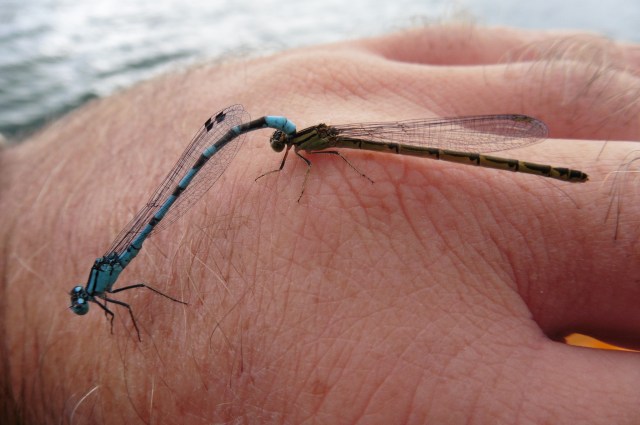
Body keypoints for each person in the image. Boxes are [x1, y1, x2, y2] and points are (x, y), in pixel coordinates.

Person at [1, 25, 639, 424]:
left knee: (422, 157)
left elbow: (340, 165)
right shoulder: (294, 148)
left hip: (375, 140)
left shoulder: (310, 146)